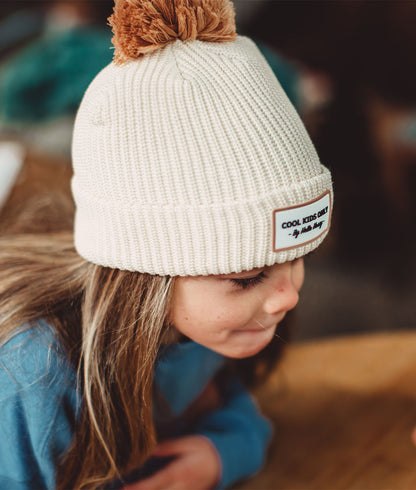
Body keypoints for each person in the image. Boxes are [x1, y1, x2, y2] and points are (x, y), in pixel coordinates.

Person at [0, 0, 333, 488]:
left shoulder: (208, 325)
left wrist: (223, 450)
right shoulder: (30, 379)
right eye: (245, 278)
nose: (290, 295)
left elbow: (225, 401)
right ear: (143, 274)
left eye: (297, 258)